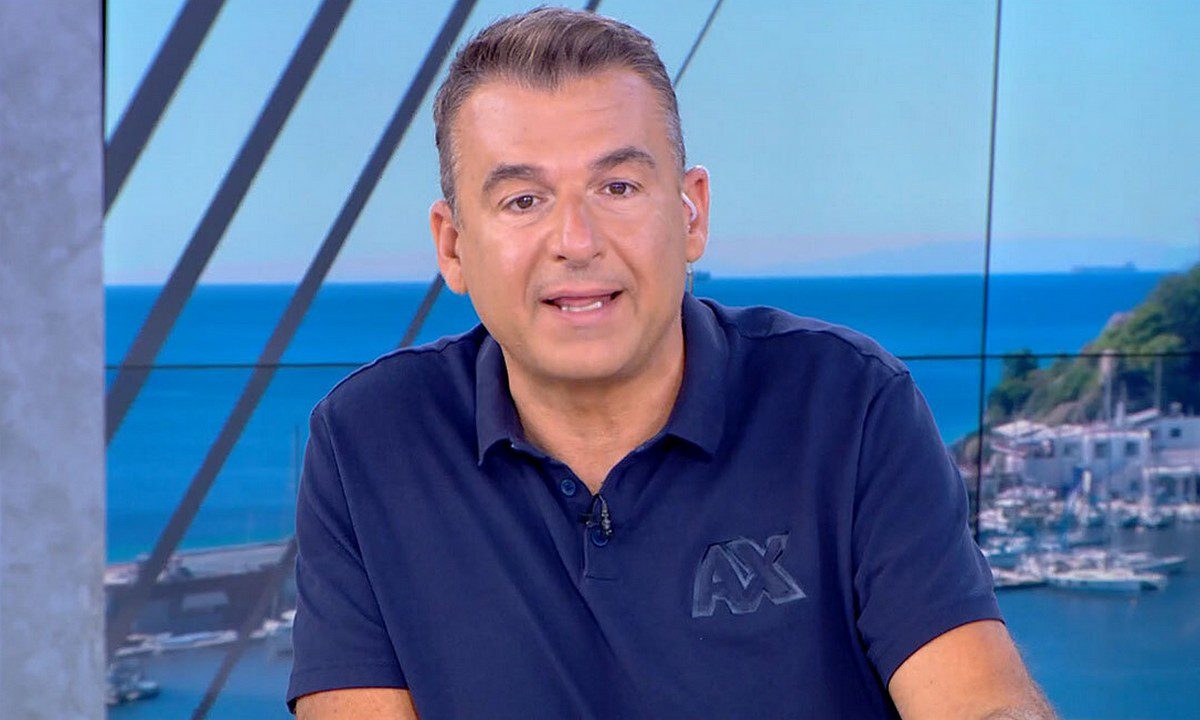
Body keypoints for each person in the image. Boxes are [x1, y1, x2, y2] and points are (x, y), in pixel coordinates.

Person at [287, 7, 1056, 719]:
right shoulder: (368, 442)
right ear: (453, 246)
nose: (577, 241)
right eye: (523, 200)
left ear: (691, 213)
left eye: (618, 186)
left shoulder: (849, 403)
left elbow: (981, 702)